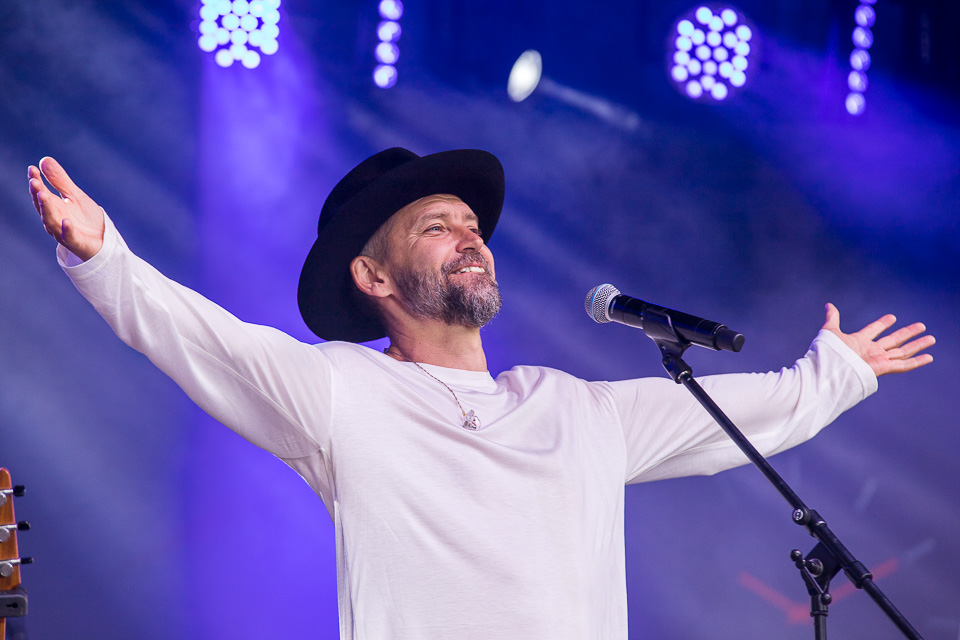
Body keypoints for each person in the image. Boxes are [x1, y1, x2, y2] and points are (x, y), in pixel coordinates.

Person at [28, 148, 934, 639]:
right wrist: (105, 258)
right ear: (373, 277)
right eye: (437, 227)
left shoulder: (572, 407)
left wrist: (837, 373)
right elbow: (204, 342)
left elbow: (733, 418)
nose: (470, 238)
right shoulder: (341, 390)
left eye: (473, 226)